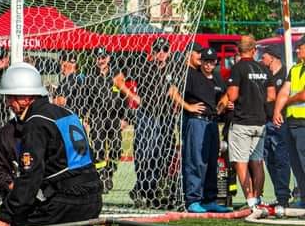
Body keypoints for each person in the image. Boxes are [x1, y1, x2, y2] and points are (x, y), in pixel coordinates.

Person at [0, 62, 102, 226]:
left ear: (25, 97)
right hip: (93, 199)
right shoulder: (66, 113)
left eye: (10, 97)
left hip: (67, 203)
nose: (7, 104)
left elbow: (30, 178)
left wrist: (5, 216)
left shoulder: (35, 123)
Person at [116, 37, 177, 208]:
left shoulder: (174, 67)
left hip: (166, 116)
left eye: (165, 50)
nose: (161, 54)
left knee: (162, 154)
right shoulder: (143, 66)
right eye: (158, 50)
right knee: (145, 153)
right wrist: (133, 96)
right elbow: (118, 80)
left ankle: (148, 190)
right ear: (152, 51)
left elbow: (174, 90)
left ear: (169, 51)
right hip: (147, 115)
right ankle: (144, 189)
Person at [178, 47, 230, 213]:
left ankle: (210, 199)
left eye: (211, 62)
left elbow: (225, 94)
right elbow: (172, 91)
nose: (208, 65)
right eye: (205, 61)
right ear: (200, 62)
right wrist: (188, 106)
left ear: (215, 63)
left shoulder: (217, 78)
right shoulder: (192, 75)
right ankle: (193, 199)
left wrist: (223, 106)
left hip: (212, 124)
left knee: (212, 160)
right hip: (196, 122)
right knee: (196, 161)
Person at [226, 35, 275, 208]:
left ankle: (250, 200)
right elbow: (271, 95)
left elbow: (232, 95)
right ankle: (258, 198)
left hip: (242, 121)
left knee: (241, 161)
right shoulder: (263, 68)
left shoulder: (238, 68)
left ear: (239, 50)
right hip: (260, 121)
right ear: (254, 50)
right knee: (257, 161)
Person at [79, 47, 123, 194]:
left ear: (108, 58)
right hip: (97, 117)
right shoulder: (90, 76)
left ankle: (110, 172)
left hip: (114, 117)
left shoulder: (116, 74)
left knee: (116, 148)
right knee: (98, 150)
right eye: (98, 58)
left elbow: (123, 97)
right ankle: (102, 178)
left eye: (103, 57)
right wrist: (85, 117)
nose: (101, 60)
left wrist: (126, 117)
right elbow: (85, 98)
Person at [260, 46, 294, 208]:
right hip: (265, 122)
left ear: (273, 57)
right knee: (269, 160)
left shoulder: (286, 74)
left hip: (281, 124)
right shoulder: (265, 75)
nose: (262, 59)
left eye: (264, 56)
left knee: (282, 159)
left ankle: (283, 197)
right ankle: (279, 193)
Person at [274, 39, 305, 208]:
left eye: (299, 48)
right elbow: (284, 91)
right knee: (297, 165)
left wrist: (287, 102)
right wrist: (277, 110)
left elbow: (303, 95)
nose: (297, 51)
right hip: (292, 123)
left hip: (303, 124)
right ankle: (304, 199)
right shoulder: (295, 69)